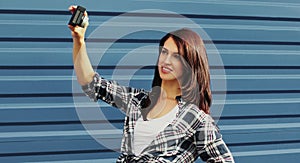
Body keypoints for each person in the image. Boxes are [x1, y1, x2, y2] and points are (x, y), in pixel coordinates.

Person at [68, 5, 234, 163]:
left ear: (190, 64)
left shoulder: (197, 119)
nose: (166, 61)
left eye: (176, 56)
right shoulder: (138, 100)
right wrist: (79, 39)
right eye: (164, 52)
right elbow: (91, 83)